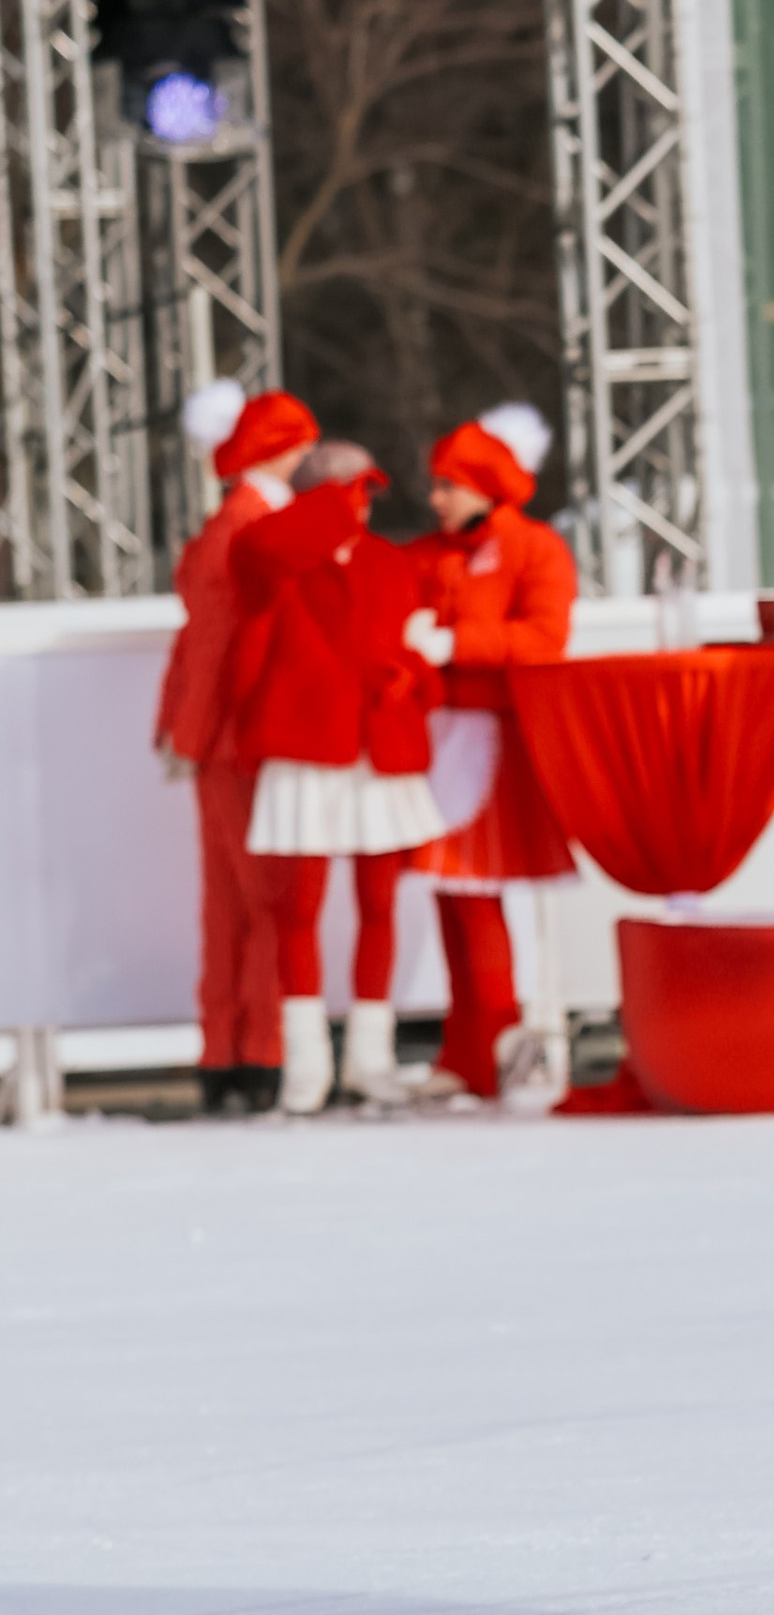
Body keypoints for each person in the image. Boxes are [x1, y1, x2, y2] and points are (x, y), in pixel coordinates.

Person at [232, 441, 447, 1114]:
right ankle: (307, 1064)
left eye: (362, 491)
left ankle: (370, 1057)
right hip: (307, 752)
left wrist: (410, 677)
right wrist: (321, 512)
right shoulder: (278, 561)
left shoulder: (391, 564)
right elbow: (261, 557)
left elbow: (414, 646)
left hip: (377, 749)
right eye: (347, 491)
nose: (360, 503)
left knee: (380, 906)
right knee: (298, 911)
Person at [405, 405, 579, 1099]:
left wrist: (455, 646)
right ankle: (469, 1051)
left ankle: (500, 1041)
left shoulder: (535, 549)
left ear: (484, 485)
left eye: (448, 485)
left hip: (491, 739)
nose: (436, 499)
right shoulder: (437, 553)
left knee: (474, 895)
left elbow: (543, 640)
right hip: (443, 735)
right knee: (452, 896)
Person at [157, 383, 318, 1114]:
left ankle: (228, 1051)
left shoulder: (228, 525)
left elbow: (197, 645)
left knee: (231, 900)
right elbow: (217, 644)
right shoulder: (257, 528)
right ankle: (261, 1052)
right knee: (266, 901)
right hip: (249, 737)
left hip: (221, 739)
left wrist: (182, 732)